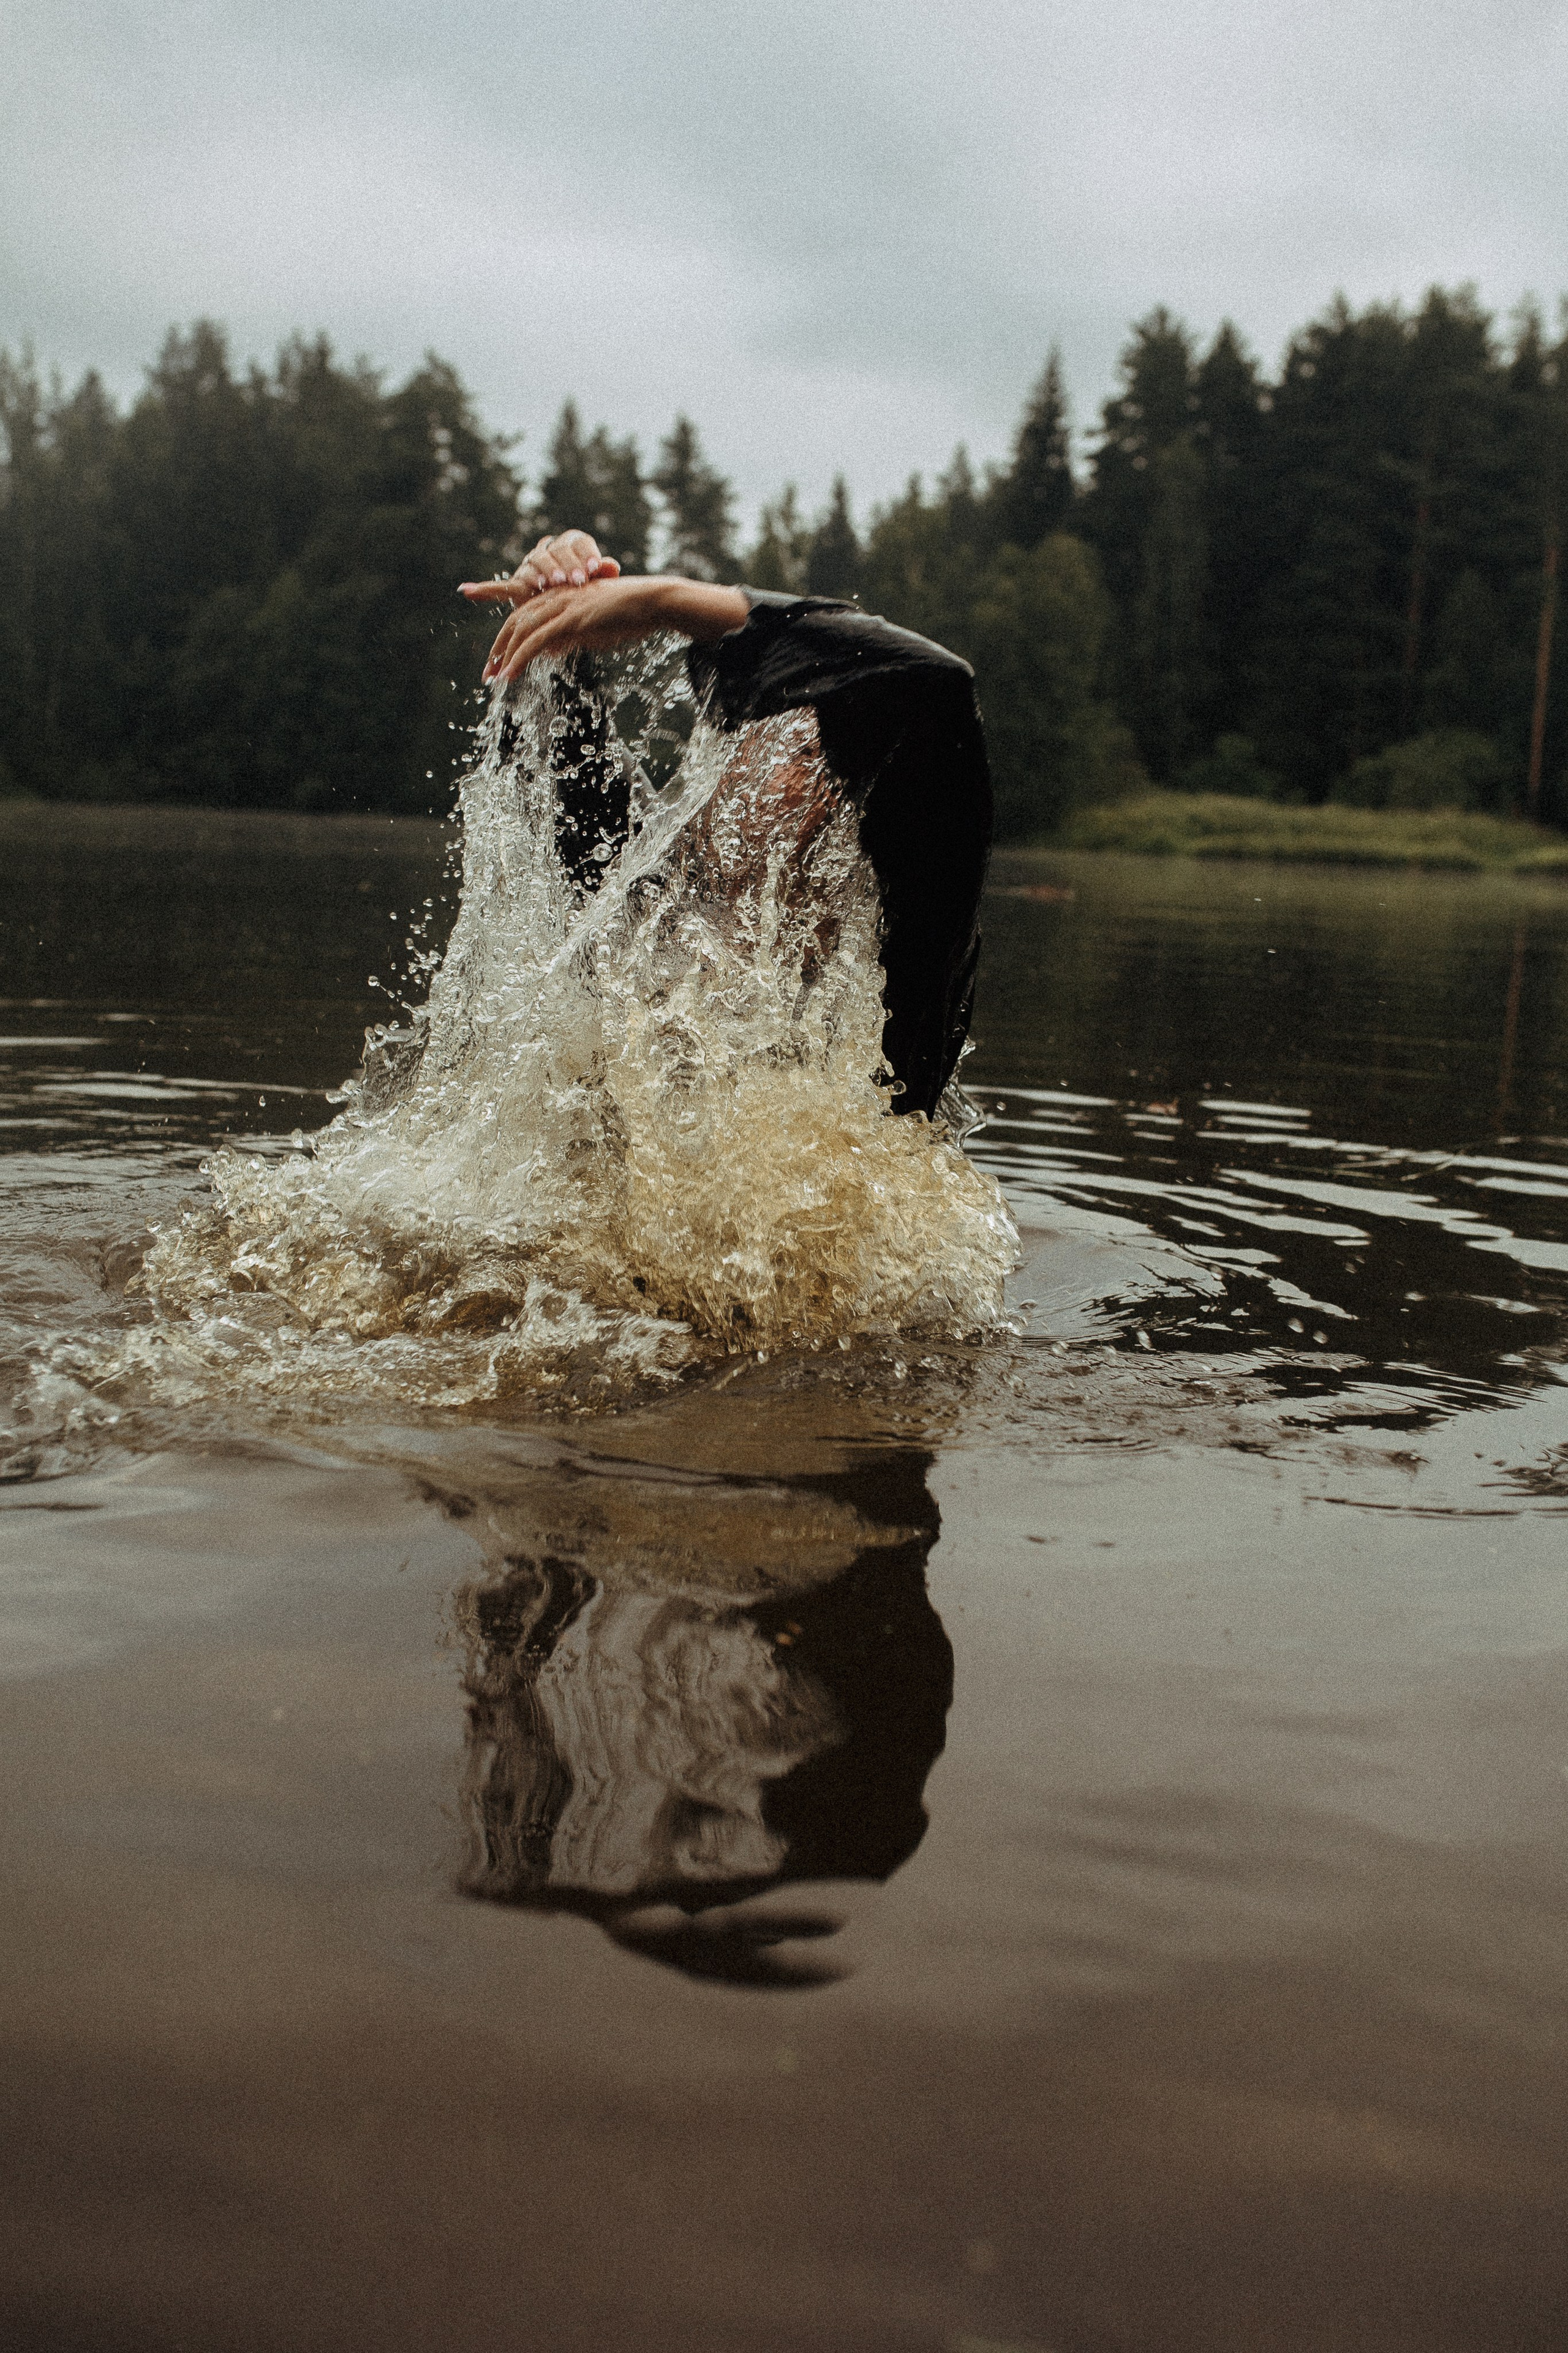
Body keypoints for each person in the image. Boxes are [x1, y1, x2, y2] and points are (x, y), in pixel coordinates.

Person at [459, 528, 993, 1120]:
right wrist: (561, 608)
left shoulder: (902, 991)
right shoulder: (640, 904)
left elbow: (937, 687)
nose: (804, 778)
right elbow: (559, 738)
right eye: (773, 744)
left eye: (827, 759)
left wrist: (666, 602)